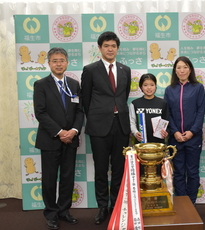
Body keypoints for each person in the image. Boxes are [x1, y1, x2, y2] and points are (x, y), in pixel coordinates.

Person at [81, 31, 131, 225]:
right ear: (100, 48)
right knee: (101, 169)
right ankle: (102, 207)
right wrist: (99, 115)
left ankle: (117, 205)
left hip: (121, 126)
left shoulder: (125, 69)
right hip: (99, 127)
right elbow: (86, 99)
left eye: (113, 46)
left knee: (119, 169)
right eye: (106, 46)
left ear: (117, 48)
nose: (110, 49)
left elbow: (123, 95)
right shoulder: (90, 69)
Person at [33, 47, 84, 230]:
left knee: (67, 177)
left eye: (62, 60)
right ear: (49, 63)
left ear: (67, 62)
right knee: (49, 178)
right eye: (55, 61)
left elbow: (80, 111)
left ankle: (64, 211)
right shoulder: (41, 84)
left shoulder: (74, 84)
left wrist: (74, 130)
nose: (59, 63)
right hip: (50, 140)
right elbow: (40, 113)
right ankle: (51, 214)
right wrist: (60, 132)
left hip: (71, 140)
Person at [164, 56, 205, 205]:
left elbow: (201, 112)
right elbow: (167, 113)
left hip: (193, 138)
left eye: (185, 67)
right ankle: (183, 203)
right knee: (179, 172)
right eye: (179, 67)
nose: (182, 70)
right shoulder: (170, 90)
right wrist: (175, 132)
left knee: (193, 172)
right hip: (175, 139)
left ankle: (192, 203)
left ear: (190, 70)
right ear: (175, 70)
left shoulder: (198, 88)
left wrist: (192, 132)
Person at [129, 73, 169, 144]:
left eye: (152, 85)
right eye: (145, 85)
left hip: (158, 144)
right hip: (140, 143)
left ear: (155, 86)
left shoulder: (162, 103)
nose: (149, 88)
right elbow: (132, 122)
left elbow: (167, 122)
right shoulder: (135, 103)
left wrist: (166, 132)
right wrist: (135, 132)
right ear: (141, 87)